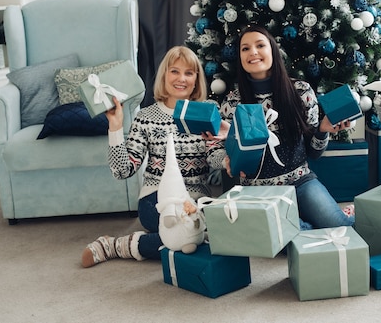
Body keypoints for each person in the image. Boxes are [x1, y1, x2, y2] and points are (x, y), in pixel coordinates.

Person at [81, 46, 227, 267]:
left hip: (195, 199)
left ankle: (128, 244)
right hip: (157, 198)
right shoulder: (146, 116)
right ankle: (114, 247)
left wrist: (223, 154)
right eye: (174, 71)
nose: (181, 79)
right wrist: (116, 127)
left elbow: (215, 159)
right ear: (164, 75)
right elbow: (123, 170)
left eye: (189, 73)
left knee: (215, 231)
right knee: (193, 236)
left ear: (197, 79)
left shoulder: (208, 110)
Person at [220, 25, 355, 230]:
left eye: (260, 45)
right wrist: (225, 159)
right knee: (282, 238)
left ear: (272, 50)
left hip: (301, 183)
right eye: (245, 48)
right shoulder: (232, 103)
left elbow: (314, 153)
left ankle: (311, 219)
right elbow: (221, 149)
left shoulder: (301, 91)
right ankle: (302, 224)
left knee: (340, 228)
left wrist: (323, 129)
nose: (253, 52)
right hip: (257, 193)